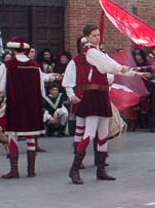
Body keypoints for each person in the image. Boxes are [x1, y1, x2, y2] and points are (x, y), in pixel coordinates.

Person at [63, 26, 147, 184]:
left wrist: (136, 73)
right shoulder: (90, 52)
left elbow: (111, 68)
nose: (97, 37)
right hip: (92, 96)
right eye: (94, 35)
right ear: (87, 37)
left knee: (103, 134)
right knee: (89, 134)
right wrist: (128, 70)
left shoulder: (98, 52)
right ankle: (74, 169)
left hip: (102, 95)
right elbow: (110, 66)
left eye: (98, 34)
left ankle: (101, 169)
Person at [0, 37, 47, 179]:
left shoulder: (8, 65)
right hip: (32, 105)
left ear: (13, 50)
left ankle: (14, 170)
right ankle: (31, 170)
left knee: (13, 135)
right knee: (30, 136)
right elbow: (41, 88)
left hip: (15, 104)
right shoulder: (35, 66)